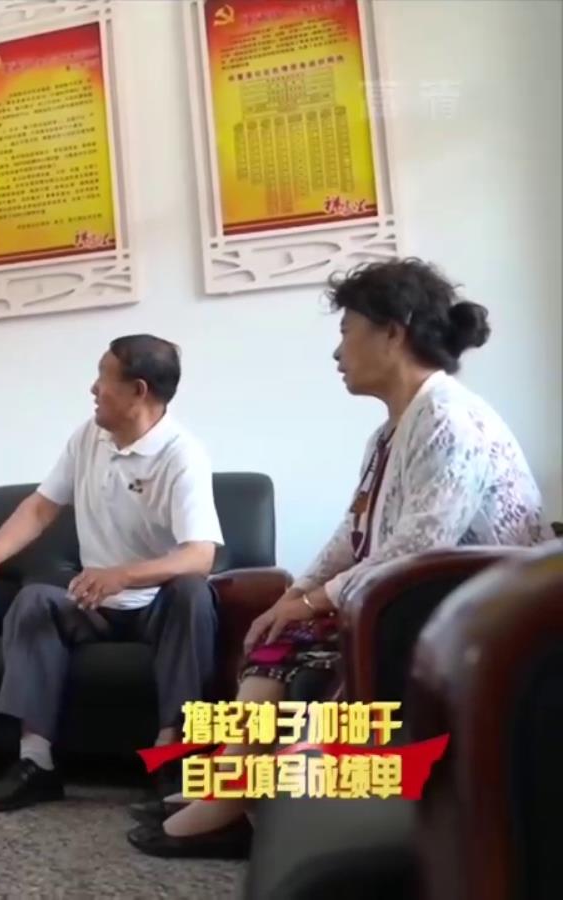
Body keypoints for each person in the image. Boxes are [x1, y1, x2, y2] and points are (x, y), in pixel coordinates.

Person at [128, 258, 549, 859]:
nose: (337, 351)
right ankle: (229, 792)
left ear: (393, 332)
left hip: (476, 610)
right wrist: (292, 596)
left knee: (304, 637)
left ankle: (234, 802)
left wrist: (313, 602)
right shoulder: (390, 432)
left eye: (347, 331)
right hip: (412, 599)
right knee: (279, 635)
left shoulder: (449, 419)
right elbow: (352, 534)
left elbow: (423, 547)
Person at [0, 334, 225, 813]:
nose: (93, 389)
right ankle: (36, 763)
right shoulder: (89, 437)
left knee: (193, 594)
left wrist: (125, 575)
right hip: (93, 604)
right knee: (33, 601)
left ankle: (169, 759)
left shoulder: (182, 455)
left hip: (156, 605)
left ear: (137, 390)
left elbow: (201, 555)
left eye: (103, 377)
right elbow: (40, 508)